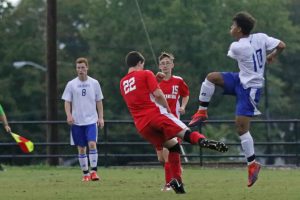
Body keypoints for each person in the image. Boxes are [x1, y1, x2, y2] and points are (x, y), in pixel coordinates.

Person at [189, 11, 286, 187]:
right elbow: (281, 45)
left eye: (232, 26)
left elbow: (243, 52)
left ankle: (252, 164)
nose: (230, 28)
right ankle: (202, 111)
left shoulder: (237, 47)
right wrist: (271, 55)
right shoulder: (261, 37)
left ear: (239, 29)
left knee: (241, 129)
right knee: (211, 77)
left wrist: (266, 56)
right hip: (240, 79)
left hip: (250, 88)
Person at [120, 51, 228, 194]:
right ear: (140, 63)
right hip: (156, 116)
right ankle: (204, 142)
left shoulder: (122, 83)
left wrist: (155, 79)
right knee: (186, 133)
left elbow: (141, 94)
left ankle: (178, 184)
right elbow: (158, 95)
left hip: (142, 126)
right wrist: (167, 109)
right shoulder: (146, 73)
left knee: (173, 146)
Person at [62, 57, 104, 182]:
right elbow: (67, 102)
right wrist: (69, 115)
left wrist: (101, 117)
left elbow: (99, 101)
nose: (81, 70)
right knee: (81, 148)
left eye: (83, 67)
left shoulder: (94, 83)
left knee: (92, 144)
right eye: (78, 68)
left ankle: (94, 172)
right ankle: (85, 174)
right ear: (76, 69)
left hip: (91, 120)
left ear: (87, 68)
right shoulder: (71, 84)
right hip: (77, 122)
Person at [155, 52, 190, 191]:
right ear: (159, 66)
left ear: (172, 65)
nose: (165, 66)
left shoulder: (178, 81)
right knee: (161, 159)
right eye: (162, 63)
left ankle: (169, 184)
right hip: (158, 122)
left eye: (167, 63)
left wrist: (182, 106)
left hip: (174, 123)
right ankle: (177, 170)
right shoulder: (155, 82)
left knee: (167, 153)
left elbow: (186, 94)